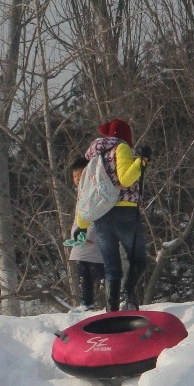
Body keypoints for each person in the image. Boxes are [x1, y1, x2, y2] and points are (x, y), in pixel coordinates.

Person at [81, 118, 149, 311]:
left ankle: (111, 311)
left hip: (101, 216)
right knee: (139, 259)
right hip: (125, 212)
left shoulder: (94, 157)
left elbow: (85, 191)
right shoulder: (121, 148)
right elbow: (126, 179)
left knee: (112, 267)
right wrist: (141, 162)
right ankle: (128, 297)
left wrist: (82, 223)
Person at [64, 158, 106, 310]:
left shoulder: (94, 191)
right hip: (81, 239)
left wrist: (88, 236)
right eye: (75, 176)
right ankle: (86, 303)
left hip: (91, 238)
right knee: (83, 272)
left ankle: (112, 299)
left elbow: (97, 215)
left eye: (80, 174)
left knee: (98, 271)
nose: (77, 179)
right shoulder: (81, 192)